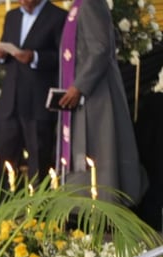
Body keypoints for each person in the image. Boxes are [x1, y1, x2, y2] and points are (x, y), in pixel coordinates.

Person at [57, 0, 144, 205]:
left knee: (100, 151)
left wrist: (79, 86)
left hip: (96, 95)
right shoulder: (78, 5)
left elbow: (100, 49)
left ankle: (104, 206)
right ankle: (82, 206)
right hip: (84, 95)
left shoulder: (91, 3)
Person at [0, 0, 67, 183]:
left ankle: (38, 210)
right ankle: (3, 208)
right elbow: (7, 53)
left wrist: (35, 57)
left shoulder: (58, 16)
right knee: (3, 160)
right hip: (11, 100)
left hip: (37, 101)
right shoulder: (12, 16)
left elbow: (64, 56)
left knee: (39, 161)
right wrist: (0, 56)